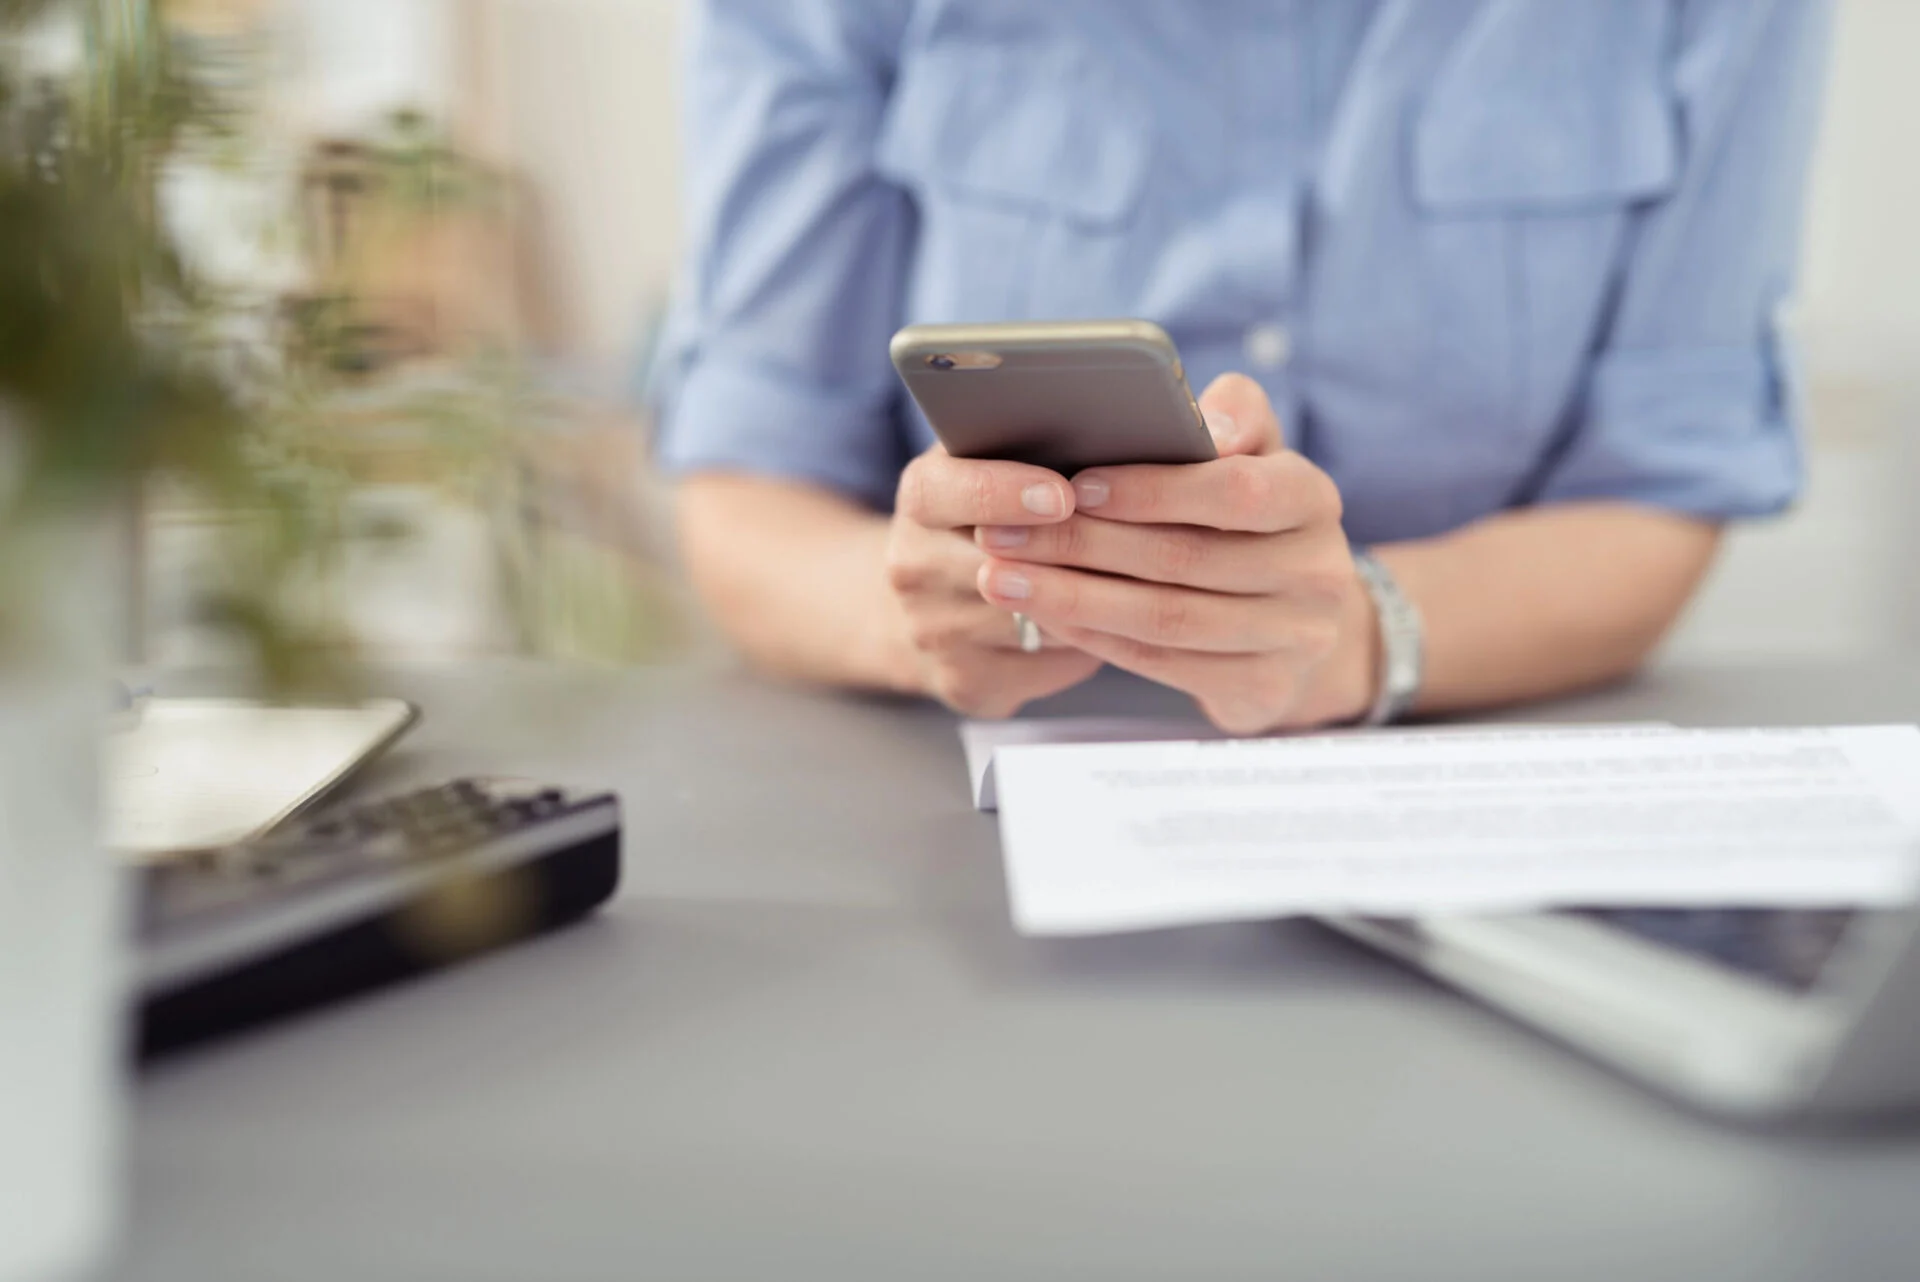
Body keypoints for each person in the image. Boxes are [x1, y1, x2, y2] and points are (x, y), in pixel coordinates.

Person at [655, 1, 1831, 733]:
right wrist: (920, 614)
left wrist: (1358, 638)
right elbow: (750, 487)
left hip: (1459, 764)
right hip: (958, 797)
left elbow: (1660, 483)